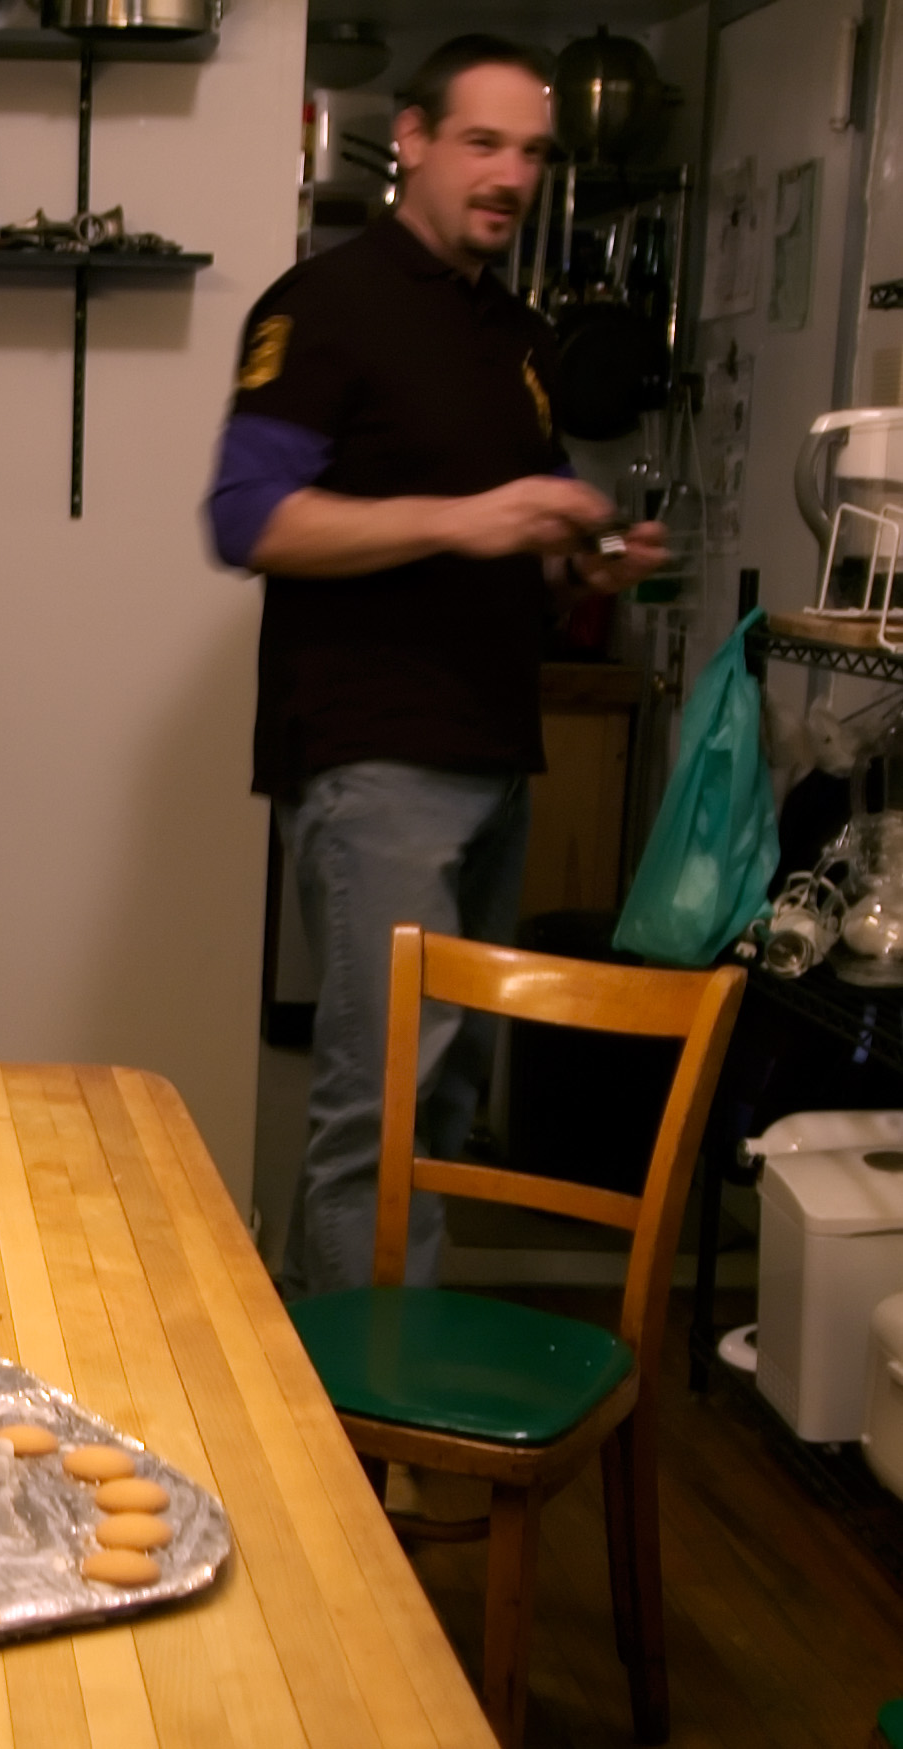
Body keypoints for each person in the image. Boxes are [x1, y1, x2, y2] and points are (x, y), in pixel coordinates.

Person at [206, 35, 668, 1298]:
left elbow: (518, 551)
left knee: (447, 1102)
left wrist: (579, 566)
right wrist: (462, 519)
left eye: (531, 152)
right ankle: (356, 1447)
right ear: (409, 137)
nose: (510, 174)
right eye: (483, 142)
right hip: (372, 756)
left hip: (493, 751)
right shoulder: (323, 304)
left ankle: (352, 1404)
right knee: (382, 1114)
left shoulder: (517, 335)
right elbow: (246, 521)